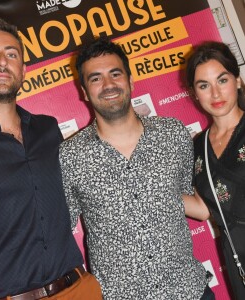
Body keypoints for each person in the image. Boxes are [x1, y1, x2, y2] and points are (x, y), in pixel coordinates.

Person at [0, 18, 102, 300]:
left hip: (78, 288)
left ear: (23, 69)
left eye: (12, 54)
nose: (2, 62)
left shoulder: (48, 129)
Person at [59, 36, 214, 299]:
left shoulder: (173, 134)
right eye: (95, 78)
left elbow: (187, 196)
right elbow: (60, 226)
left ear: (130, 81)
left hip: (189, 291)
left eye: (115, 74)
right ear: (84, 91)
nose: (108, 85)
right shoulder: (70, 156)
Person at [184, 41, 245, 300]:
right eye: (204, 86)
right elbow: (207, 208)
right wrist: (155, 188)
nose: (215, 94)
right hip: (236, 257)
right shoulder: (198, 145)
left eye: (222, 80)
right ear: (195, 94)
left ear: (238, 80)